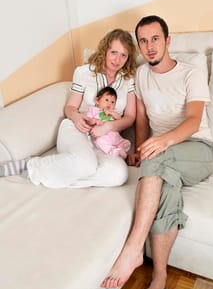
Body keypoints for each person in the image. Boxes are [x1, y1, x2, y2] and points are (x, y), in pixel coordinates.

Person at [101, 15, 213, 289]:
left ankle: (133, 250)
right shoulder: (141, 74)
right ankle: (160, 277)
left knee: (157, 157)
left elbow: (194, 121)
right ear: (139, 45)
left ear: (168, 41)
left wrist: (162, 143)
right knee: (166, 190)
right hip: (165, 156)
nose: (150, 46)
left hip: (199, 150)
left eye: (156, 39)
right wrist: (141, 148)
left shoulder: (190, 73)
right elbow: (141, 119)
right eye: (143, 41)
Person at [0, 29, 137, 188]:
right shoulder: (84, 73)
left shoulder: (128, 80)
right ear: (105, 50)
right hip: (76, 129)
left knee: (118, 175)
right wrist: (77, 117)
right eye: (113, 52)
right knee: (86, 164)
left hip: (105, 141)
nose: (117, 59)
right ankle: (31, 166)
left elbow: (130, 117)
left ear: (128, 58)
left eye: (123, 55)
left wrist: (108, 126)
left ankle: (54, 171)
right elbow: (70, 107)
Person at [86, 86, 131, 158]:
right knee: (100, 141)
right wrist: (95, 121)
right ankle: (111, 150)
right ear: (97, 100)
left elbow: (120, 119)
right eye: (106, 100)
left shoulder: (113, 113)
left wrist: (112, 113)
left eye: (112, 102)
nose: (109, 103)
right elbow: (88, 121)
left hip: (113, 134)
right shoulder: (93, 110)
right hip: (101, 136)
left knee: (121, 141)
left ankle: (122, 148)